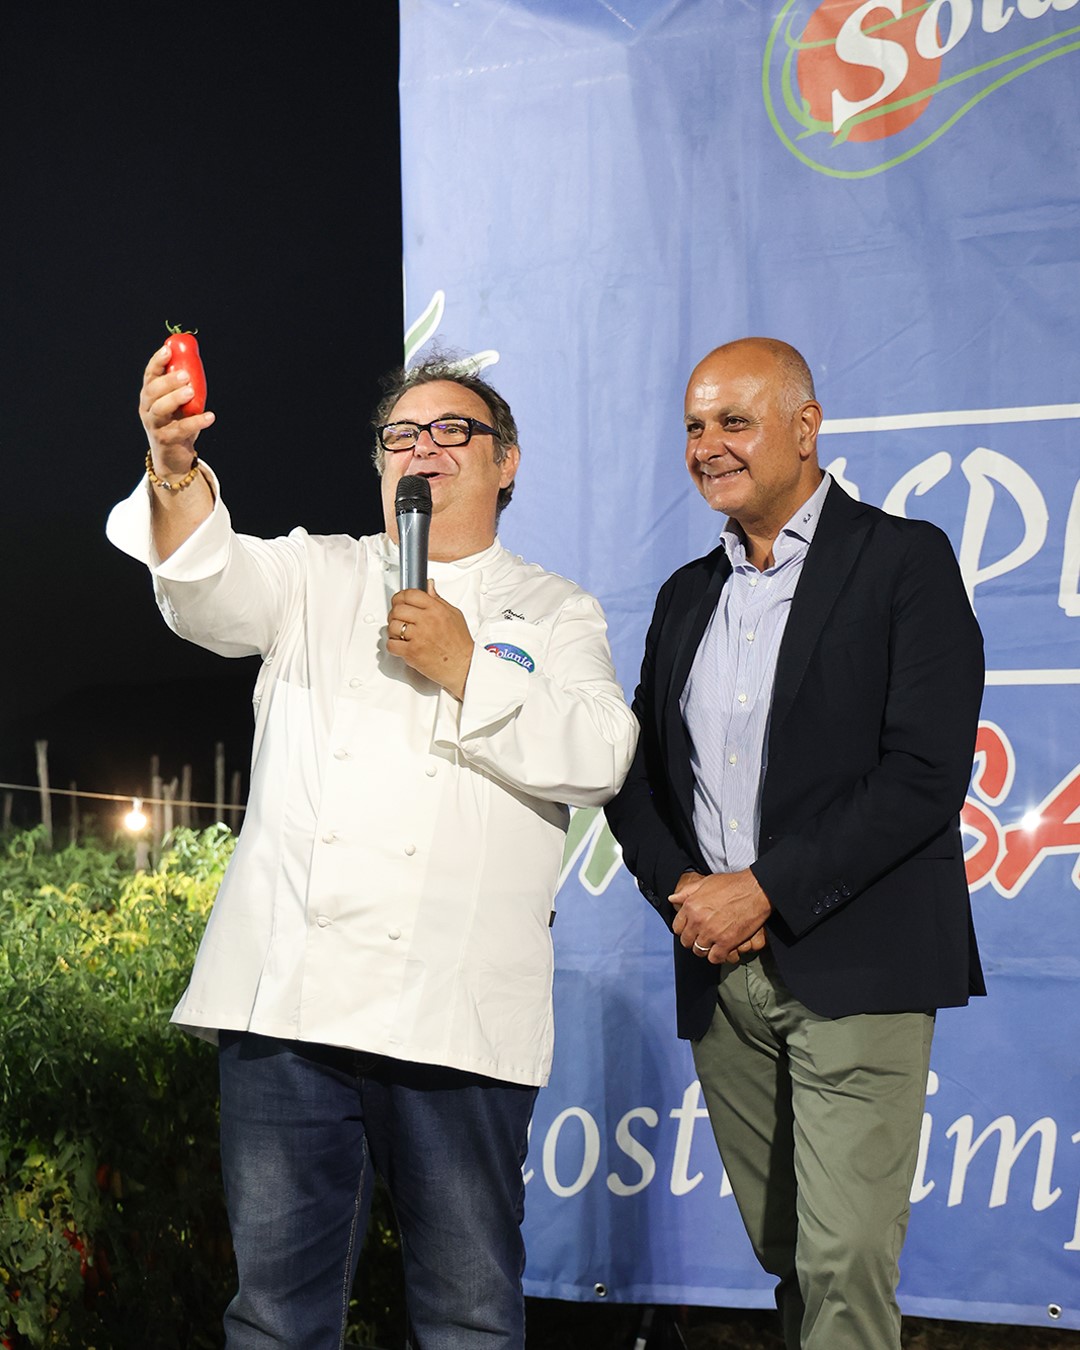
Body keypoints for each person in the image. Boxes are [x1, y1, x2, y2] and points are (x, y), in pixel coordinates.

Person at [107, 345, 638, 1350]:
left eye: (452, 431)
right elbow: (205, 586)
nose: (422, 448)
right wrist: (173, 470)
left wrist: (465, 664)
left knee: (470, 1316)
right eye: (401, 434)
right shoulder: (319, 572)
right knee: (275, 1318)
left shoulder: (555, 610)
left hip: (455, 1019)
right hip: (291, 1010)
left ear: (506, 462)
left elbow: (602, 754)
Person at [604, 337, 985, 1350]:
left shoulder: (903, 561)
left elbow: (923, 775)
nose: (708, 445)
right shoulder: (688, 592)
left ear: (806, 428)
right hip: (721, 974)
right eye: (695, 426)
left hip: (858, 964)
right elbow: (636, 776)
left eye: (735, 421)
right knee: (793, 1257)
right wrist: (689, 892)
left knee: (843, 1260)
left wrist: (763, 889)